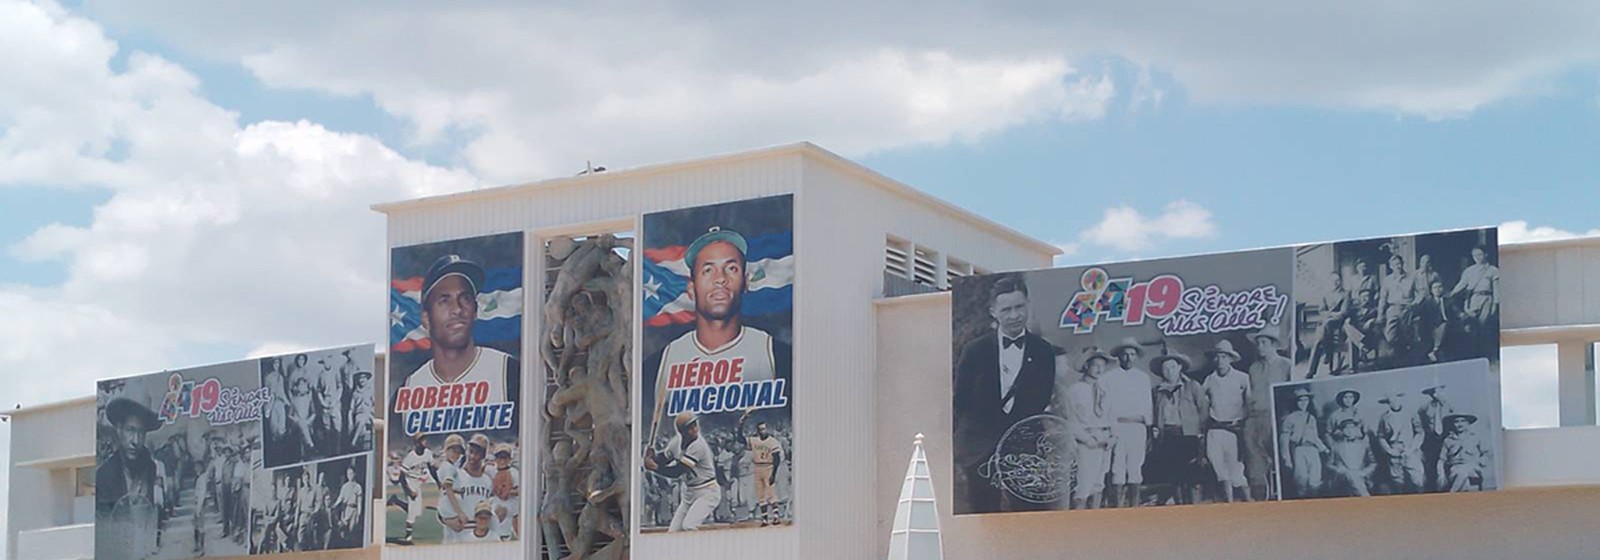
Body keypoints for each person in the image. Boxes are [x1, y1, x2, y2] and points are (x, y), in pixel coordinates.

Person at [644, 227, 793, 446]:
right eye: (708, 270)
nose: (720, 279)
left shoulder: (779, 356)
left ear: (746, 282)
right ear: (691, 289)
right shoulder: (657, 366)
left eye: (731, 268)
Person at [952, 275, 1057, 512]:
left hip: (1024, 448)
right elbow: (962, 399)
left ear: (1028, 305)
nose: (1014, 315)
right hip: (980, 450)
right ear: (993, 312)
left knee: (1029, 513)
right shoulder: (975, 350)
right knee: (982, 514)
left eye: (1019, 307)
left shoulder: (1043, 351)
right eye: (1006, 309)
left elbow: (1042, 398)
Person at [402, 254, 521, 406]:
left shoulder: (509, 372)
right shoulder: (410, 388)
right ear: (426, 319)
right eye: (444, 301)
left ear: (475, 311)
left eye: (465, 299)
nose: (457, 309)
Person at [97, 395, 161, 560]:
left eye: (141, 432)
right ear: (119, 429)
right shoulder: (105, 475)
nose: (135, 441)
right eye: (130, 430)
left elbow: (150, 512)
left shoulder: (150, 467)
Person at [643, 413, 721, 531]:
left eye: (695, 425)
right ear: (682, 431)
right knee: (673, 531)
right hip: (688, 493)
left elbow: (677, 471)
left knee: (689, 526)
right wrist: (652, 457)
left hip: (707, 491)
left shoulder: (698, 446)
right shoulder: (676, 442)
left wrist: (655, 467)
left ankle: (701, 549)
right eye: (690, 427)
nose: (695, 429)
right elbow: (664, 459)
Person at [1148, 351, 1204, 505]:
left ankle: (1196, 507)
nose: (1169, 371)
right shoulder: (1157, 391)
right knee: (1174, 477)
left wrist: (1201, 433)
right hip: (1168, 436)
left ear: (1179, 367)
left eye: (1172, 367)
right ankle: (1179, 507)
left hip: (1189, 435)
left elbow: (1203, 409)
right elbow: (1153, 413)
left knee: (1194, 476)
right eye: (1165, 368)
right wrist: (1156, 430)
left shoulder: (1192, 386)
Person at [1102, 337, 1152, 508]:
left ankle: (1134, 507)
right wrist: (1110, 429)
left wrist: (1149, 428)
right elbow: (1106, 406)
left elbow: (1147, 405)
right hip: (1118, 427)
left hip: (1138, 427)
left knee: (1135, 467)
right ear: (1119, 356)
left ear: (1136, 356)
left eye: (1132, 354)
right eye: (1125, 354)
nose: (1129, 358)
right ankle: (1118, 507)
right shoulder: (1109, 378)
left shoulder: (1143, 378)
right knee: (1117, 467)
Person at [1201, 340, 1251, 503]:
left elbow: (1250, 404)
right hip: (1215, 430)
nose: (1220, 360)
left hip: (1234, 429)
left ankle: (1249, 501)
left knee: (1237, 470)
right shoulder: (1209, 380)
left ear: (1230, 358)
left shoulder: (1242, 378)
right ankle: (1229, 503)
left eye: (1224, 357)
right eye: (1217, 357)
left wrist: (1244, 426)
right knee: (1220, 470)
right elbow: (1202, 403)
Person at [1246, 328, 1291, 500]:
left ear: (1273, 345)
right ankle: (1261, 497)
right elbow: (1251, 395)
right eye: (1258, 343)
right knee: (1254, 460)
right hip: (1256, 418)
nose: (1260, 346)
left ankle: (1282, 495)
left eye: (1264, 343)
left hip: (1277, 418)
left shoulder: (1287, 365)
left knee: (1280, 457)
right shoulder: (1254, 368)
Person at [442, 434, 497, 543]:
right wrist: (447, 520)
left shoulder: (488, 480)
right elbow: (442, 506)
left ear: (483, 456)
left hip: (479, 539)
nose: (472, 456)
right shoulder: (456, 475)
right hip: (455, 539)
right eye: (471, 451)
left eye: (477, 453)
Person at [1279, 387, 1329, 498]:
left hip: (1313, 450)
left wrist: (1324, 449)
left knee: (1315, 478)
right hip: (1299, 450)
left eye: (1306, 400)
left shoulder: (1311, 418)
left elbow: (1315, 437)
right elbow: (1284, 439)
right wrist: (1286, 458)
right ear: (1295, 402)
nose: (1303, 403)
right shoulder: (1290, 418)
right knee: (1301, 478)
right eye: (1300, 400)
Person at [738, 411, 786, 524]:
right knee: (760, 495)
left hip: (768, 467)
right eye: (760, 429)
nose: (763, 431)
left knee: (771, 494)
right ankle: (764, 518)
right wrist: (742, 423)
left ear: (767, 429)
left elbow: (777, 458)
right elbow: (740, 439)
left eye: (764, 428)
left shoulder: (772, 442)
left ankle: (775, 516)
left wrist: (773, 474)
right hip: (757, 467)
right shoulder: (754, 440)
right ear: (757, 430)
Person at [1374, 392, 1425, 494]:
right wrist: (1389, 450)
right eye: (1391, 401)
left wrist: (1412, 448)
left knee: (1417, 479)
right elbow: (1381, 437)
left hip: (1410, 447)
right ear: (1388, 403)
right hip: (1394, 449)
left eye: (1396, 399)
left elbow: (1419, 432)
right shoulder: (1384, 417)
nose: (1394, 402)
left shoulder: (1411, 413)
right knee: (1397, 480)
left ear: (1400, 399)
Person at [1449, 245, 1500, 347]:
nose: (1477, 257)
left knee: (1483, 324)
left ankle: (1483, 349)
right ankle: (1474, 348)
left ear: (1486, 255)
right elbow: (1462, 284)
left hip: (1487, 299)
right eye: (1474, 255)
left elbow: (1496, 289)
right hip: (1473, 298)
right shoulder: (1469, 271)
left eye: (1480, 254)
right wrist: (1452, 293)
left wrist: (1495, 304)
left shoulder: (1493, 270)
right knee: (1472, 323)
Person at [1325, 389, 1372, 497]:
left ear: (1354, 399)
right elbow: (1328, 433)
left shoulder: (1360, 413)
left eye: (1350, 397)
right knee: (1349, 476)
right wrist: (1333, 446)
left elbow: (1365, 433)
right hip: (1342, 450)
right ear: (1341, 400)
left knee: (1361, 474)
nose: (1348, 400)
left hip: (1358, 449)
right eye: (1345, 398)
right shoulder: (1335, 415)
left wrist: (1366, 446)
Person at [1307, 271, 1349, 378]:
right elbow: (1321, 310)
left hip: (1338, 323)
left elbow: (1343, 313)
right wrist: (1329, 314)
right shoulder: (1325, 294)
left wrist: (1330, 315)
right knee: (1317, 342)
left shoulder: (1345, 294)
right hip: (1327, 323)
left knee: (1326, 324)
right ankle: (1311, 371)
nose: (1335, 283)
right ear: (1329, 282)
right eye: (1333, 281)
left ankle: (1327, 354)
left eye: (1337, 280)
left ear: (1340, 282)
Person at [1379, 254, 1419, 365]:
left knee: (1407, 334)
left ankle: (1403, 359)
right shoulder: (1387, 280)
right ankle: (1398, 353)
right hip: (1392, 308)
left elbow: (1421, 292)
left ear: (1403, 264)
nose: (1398, 266)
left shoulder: (1411, 278)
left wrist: (1415, 303)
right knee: (1390, 336)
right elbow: (1382, 298)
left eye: (1399, 264)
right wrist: (1380, 314)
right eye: (1395, 264)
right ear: (1390, 266)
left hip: (1408, 308)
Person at [396, 433, 434, 544]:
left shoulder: (428, 453)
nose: (425, 441)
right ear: (417, 443)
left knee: (418, 511)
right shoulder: (411, 457)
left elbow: (431, 468)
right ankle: (408, 537)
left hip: (417, 482)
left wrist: (438, 481)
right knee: (412, 511)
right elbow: (401, 477)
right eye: (422, 440)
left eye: (425, 439)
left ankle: (396, 501)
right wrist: (409, 491)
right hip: (409, 481)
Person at [1417, 385, 1456, 492]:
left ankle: (1447, 487)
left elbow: (1454, 418)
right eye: (1432, 393)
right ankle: (1432, 489)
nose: (1434, 395)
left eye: (1436, 392)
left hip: (1446, 438)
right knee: (1431, 465)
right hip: (1430, 440)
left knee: (1446, 463)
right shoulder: (1424, 408)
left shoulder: (1448, 405)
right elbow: (1421, 423)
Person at [1440, 413, 1490, 492]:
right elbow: (1442, 458)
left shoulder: (1476, 437)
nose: (1459, 424)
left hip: (1474, 467)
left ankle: (1451, 493)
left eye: (1462, 421)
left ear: (1468, 423)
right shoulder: (1448, 440)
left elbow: (1487, 453)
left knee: (1463, 471)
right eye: (1456, 421)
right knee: (1462, 475)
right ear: (1453, 424)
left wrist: (1481, 462)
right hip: (1454, 468)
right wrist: (1440, 473)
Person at [1414, 280, 1456, 363]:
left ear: (1443, 289)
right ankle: (1435, 350)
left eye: (1440, 287)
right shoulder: (1427, 303)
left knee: (1445, 326)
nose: (1438, 289)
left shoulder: (1448, 301)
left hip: (1447, 326)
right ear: (1432, 291)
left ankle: (1434, 351)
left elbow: (1456, 311)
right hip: (1431, 326)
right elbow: (1418, 313)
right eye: (1435, 288)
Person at [489, 443, 521, 540]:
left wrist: (509, 491)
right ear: (495, 459)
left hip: (512, 507)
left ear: (509, 459)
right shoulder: (491, 471)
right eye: (499, 458)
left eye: (505, 458)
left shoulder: (514, 473)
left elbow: (521, 491)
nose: (502, 460)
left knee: (513, 533)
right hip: (497, 505)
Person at [335, 465, 364, 547]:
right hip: (346, 509)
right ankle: (343, 544)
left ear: (354, 474)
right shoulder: (344, 486)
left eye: (351, 473)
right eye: (348, 474)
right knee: (343, 528)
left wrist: (359, 513)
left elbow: (359, 501)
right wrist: (335, 505)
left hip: (354, 510)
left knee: (352, 529)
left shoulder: (358, 487)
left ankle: (350, 545)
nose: (350, 475)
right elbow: (340, 498)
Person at [348, 371, 374, 451]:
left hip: (370, 414)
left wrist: (372, 411)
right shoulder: (355, 393)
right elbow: (351, 409)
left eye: (364, 378)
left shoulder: (370, 391)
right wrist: (350, 421)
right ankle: (355, 444)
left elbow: (375, 404)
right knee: (362, 421)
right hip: (359, 414)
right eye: (360, 378)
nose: (362, 380)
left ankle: (353, 442)